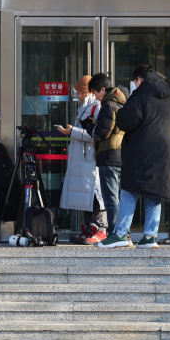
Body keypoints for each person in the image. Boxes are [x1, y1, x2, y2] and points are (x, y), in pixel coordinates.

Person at [98, 65, 170, 250]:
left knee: (128, 192)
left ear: (139, 80)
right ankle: (150, 236)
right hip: (164, 154)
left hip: (141, 152)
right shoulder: (169, 97)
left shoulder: (140, 96)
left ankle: (119, 234)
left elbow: (125, 121)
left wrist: (124, 108)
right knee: (155, 193)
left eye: (135, 82)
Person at [57, 76, 107, 244]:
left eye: (82, 92)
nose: (79, 95)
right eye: (77, 92)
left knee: (95, 194)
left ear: (91, 92)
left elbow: (96, 135)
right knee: (87, 195)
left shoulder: (96, 106)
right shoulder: (85, 107)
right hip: (83, 158)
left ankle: (100, 228)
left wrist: (72, 132)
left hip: (91, 158)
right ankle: (88, 229)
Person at [86, 73, 128, 239]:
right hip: (121, 155)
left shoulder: (108, 105)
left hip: (109, 157)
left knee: (111, 199)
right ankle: (125, 233)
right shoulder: (121, 102)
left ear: (103, 89)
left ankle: (114, 234)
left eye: (96, 93)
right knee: (122, 199)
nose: (95, 97)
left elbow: (102, 134)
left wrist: (90, 128)